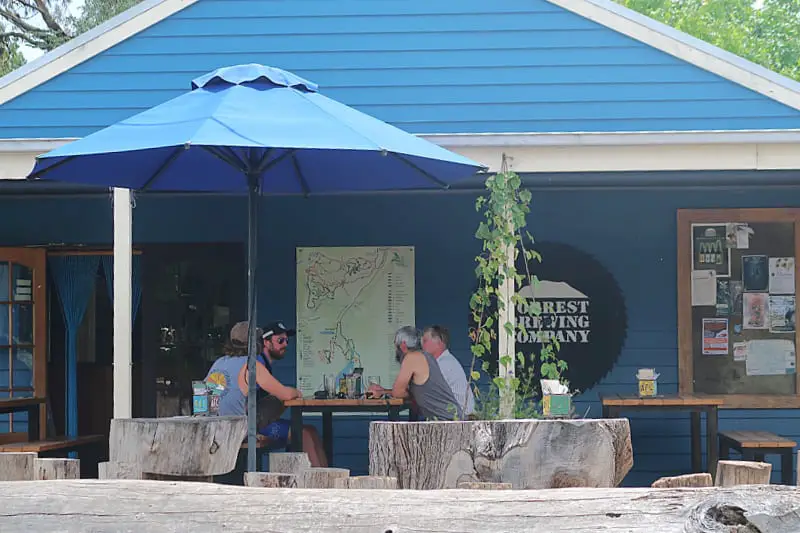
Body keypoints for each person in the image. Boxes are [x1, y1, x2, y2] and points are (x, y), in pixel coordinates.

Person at [205, 321, 327, 467]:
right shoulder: (252, 366)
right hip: (238, 432)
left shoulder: (219, 363)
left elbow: (208, 399)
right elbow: (285, 395)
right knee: (299, 426)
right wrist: (297, 391)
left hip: (213, 430)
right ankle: (320, 485)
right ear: (257, 343)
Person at [368, 326, 463, 421]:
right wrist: (382, 392)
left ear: (403, 345)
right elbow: (416, 391)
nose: (395, 349)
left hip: (447, 422)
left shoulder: (411, 358)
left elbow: (398, 392)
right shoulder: (426, 356)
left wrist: (387, 392)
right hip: (451, 418)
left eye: (395, 345)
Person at [422, 325, 475, 417]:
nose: (422, 345)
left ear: (439, 343)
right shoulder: (443, 361)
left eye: (425, 341)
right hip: (455, 413)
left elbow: (428, 391)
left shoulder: (444, 364)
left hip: (459, 416)